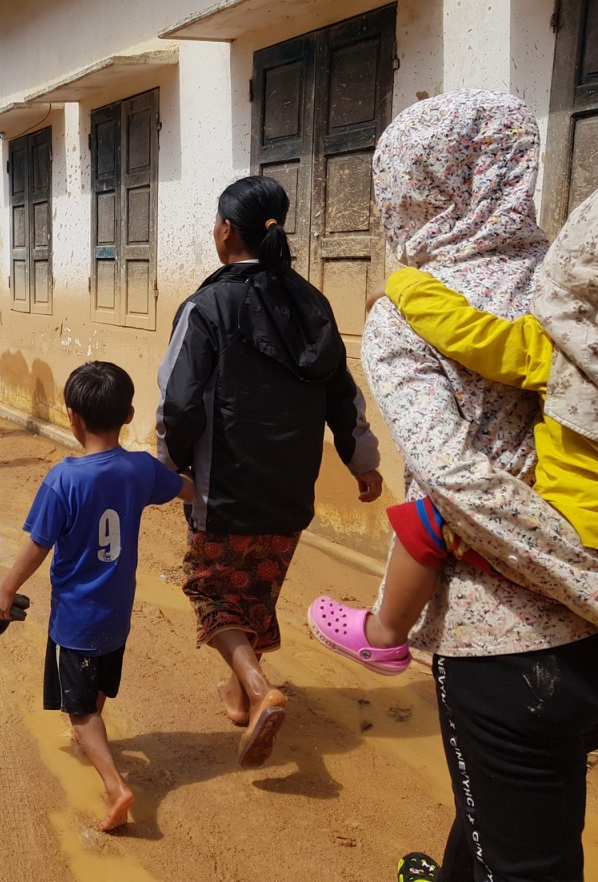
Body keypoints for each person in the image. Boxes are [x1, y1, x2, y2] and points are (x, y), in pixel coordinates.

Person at [352, 91, 598, 882]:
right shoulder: (573, 280)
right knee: (502, 814)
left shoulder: (409, 312)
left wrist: (585, 582)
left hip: (504, 641)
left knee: (531, 858)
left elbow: (457, 482)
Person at [310, 191, 598, 672]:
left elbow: (472, 334)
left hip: (576, 522)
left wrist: (403, 286)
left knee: (426, 522)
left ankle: (385, 634)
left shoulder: (565, 351)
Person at [156, 175, 383, 768]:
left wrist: (166, 466)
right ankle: (239, 694)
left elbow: (178, 401)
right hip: (290, 487)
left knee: (209, 592)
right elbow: (342, 391)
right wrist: (362, 461)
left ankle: (259, 690)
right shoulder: (312, 302)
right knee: (257, 587)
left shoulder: (206, 306)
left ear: (227, 230)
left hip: (223, 488)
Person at [0, 361, 196, 832]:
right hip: (117, 613)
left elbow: (38, 546)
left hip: (76, 618)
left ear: (71, 417)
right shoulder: (141, 469)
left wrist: (6, 590)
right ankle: (94, 739)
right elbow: (187, 490)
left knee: (78, 710)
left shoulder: (63, 480)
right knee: (98, 684)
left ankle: (115, 785)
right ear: (128, 414)